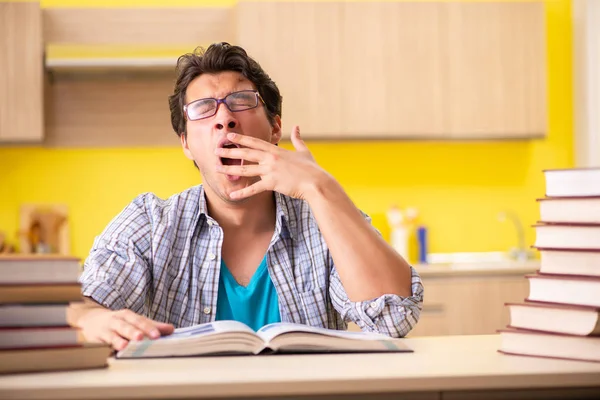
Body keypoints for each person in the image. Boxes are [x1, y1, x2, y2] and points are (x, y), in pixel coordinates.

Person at [68, 42, 424, 351]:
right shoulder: (151, 222)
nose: (224, 117)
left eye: (241, 100)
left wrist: (320, 186)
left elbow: (393, 320)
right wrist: (91, 321)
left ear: (275, 129)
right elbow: (76, 307)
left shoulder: (323, 215)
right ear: (186, 144)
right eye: (204, 108)